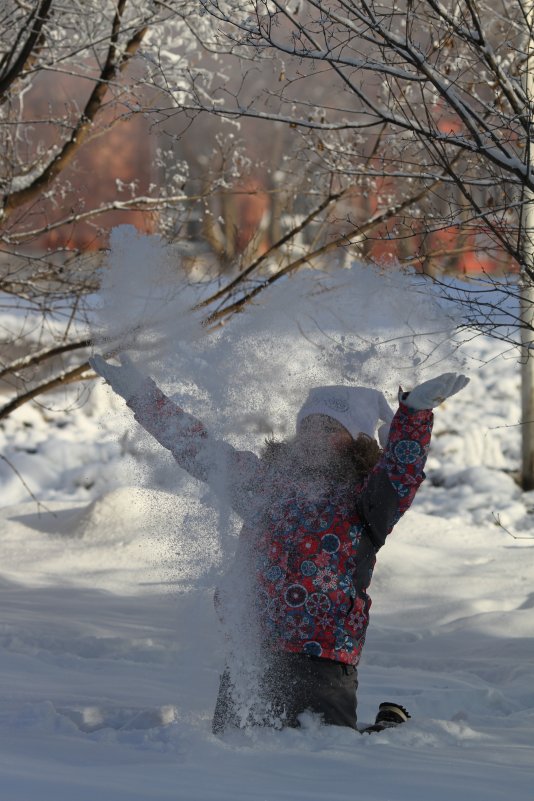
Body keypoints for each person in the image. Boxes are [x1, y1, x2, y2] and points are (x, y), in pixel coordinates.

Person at [89, 353, 469, 733]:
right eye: (309, 427)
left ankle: (387, 730)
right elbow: (200, 449)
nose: (315, 438)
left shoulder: (365, 499)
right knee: (234, 750)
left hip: (323, 657)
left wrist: (414, 416)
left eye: (330, 429)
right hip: (252, 654)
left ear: (358, 440)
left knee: (325, 758)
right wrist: (142, 396)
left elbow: (401, 474)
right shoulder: (266, 486)